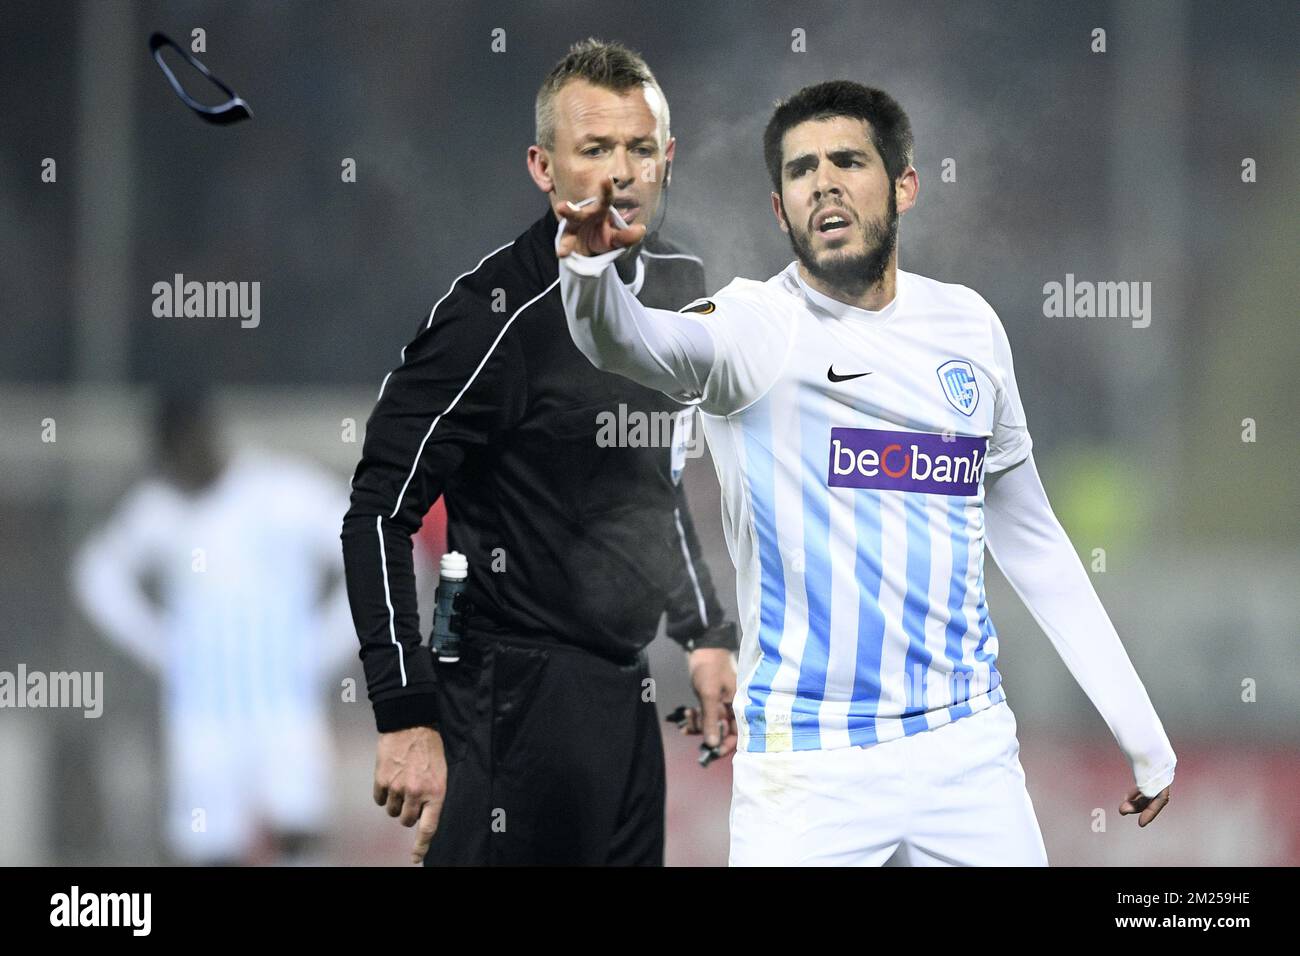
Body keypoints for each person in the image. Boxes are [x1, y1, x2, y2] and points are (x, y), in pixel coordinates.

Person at [555, 80, 1176, 866]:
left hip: (966, 749)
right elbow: (632, 342)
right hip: (810, 771)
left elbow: (1031, 537)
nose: (824, 181)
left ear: (905, 186)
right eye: (801, 170)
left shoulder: (969, 329)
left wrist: (1141, 730)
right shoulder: (753, 329)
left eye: (847, 160)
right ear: (780, 210)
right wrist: (586, 277)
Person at [341, 39, 738, 866]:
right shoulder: (491, 316)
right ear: (543, 168)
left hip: (623, 701)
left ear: (668, 159)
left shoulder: (680, 288)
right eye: (593, 150)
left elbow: (654, 481)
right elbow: (378, 512)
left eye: (638, 149)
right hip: (503, 702)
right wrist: (404, 709)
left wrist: (703, 632)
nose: (619, 172)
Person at [73, 391, 355, 865]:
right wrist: (160, 644)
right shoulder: (161, 508)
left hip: (283, 704)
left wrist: (326, 645)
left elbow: (372, 550)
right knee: (207, 844)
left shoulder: (280, 491)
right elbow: (96, 574)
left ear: (208, 437)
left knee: (297, 831)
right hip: (203, 713)